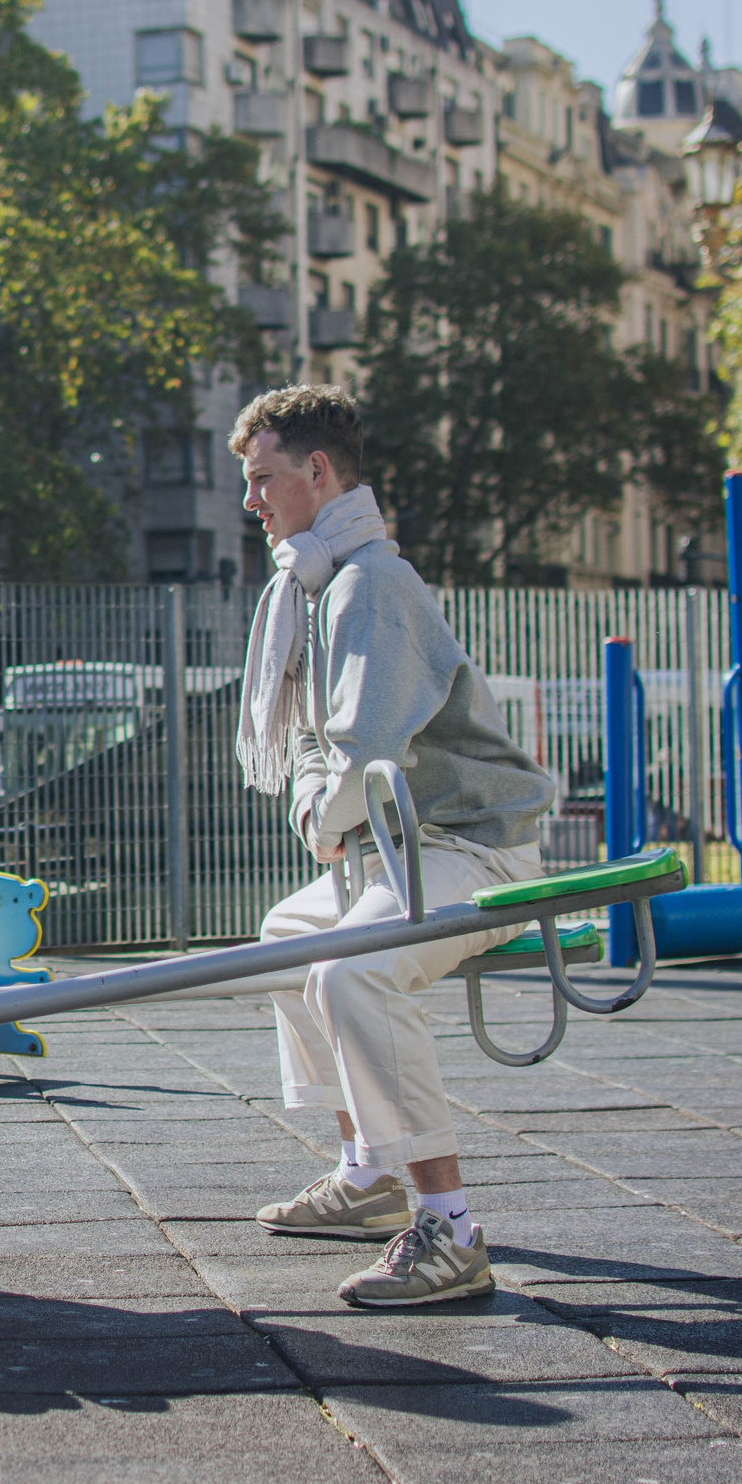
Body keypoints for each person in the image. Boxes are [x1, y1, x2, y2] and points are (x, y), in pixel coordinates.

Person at [230, 386, 557, 1307]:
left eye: (262, 479)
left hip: (472, 848)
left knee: (353, 972)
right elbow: (310, 750)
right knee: (287, 938)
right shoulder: (315, 585)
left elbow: (362, 749)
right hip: (400, 850)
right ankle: (370, 1173)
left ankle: (449, 1228)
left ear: (318, 472)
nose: (251, 501)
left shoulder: (371, 584)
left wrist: (323, 816)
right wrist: (320, 815)